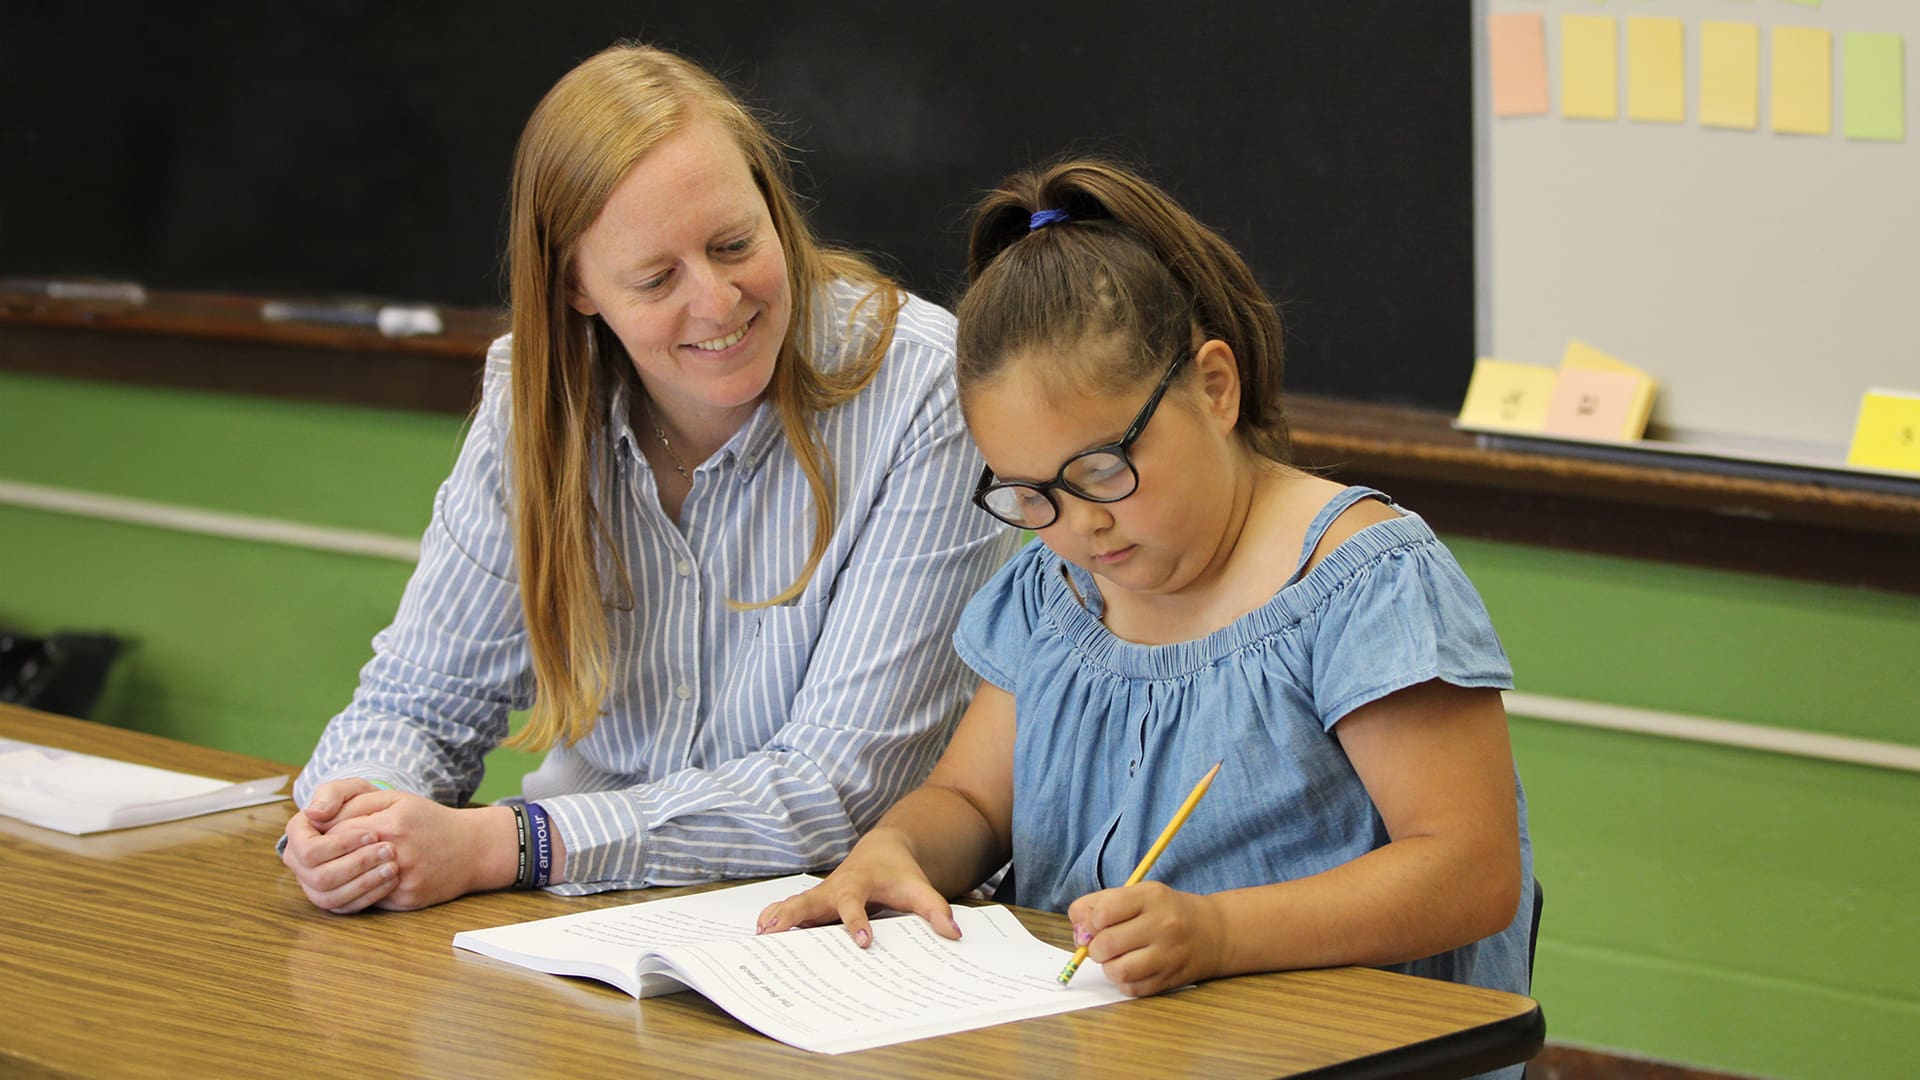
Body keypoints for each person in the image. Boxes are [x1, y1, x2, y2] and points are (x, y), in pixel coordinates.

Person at [756, 159, 1536, 1047]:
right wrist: (896, 849)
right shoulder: (1055, 596)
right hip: (1106, 1047)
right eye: (1031, 495)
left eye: (1101, 470)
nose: (1081, 524)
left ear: (1214, 387)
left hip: (1335, 1053)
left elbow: (1469, 873)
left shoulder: (1363, 583)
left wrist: (1221, 934)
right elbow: (971, 801)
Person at [280, 43, 1017, 913]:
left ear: (774, 211)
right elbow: (415, 704)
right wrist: (354, 818)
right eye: (657, 277)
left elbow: (839, 789)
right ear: (577, 289)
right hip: (577, 910)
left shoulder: (922, 390)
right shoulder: (538, 399)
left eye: (736, 243)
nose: (717, 301)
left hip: (829, 923)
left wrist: (510, 842)